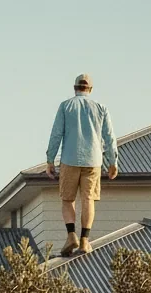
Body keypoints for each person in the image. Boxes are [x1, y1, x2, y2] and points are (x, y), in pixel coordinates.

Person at [45, 74, 119, 256]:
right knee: (88, 198)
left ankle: (71, 235)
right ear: (90, 89)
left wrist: (50, 159)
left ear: (74, 88)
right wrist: (113, 162)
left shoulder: (65, 106)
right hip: (93, 160)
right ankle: (85, 240)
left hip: (69, 159)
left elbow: (56, 134)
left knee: (67, 199)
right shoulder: (101, 108)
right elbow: (109, 137)